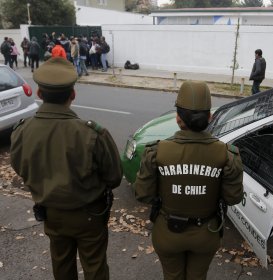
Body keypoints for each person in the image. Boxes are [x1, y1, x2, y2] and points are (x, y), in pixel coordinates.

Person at [10, 57, 123, 280]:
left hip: (52, 213)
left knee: (61, 265)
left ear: (39, 94)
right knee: (95, 267)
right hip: (90, 214)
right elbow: (114, 177)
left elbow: (20, 167)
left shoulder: (22, 132)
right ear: (73, 95)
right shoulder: (92, 133)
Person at [135, 81, 244, 280]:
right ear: (210, 117)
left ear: (178, 118)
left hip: (167, 232)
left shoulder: (156, 152)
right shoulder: (227, 154)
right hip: (206, 233)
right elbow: (233, 197)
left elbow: (143, 194)